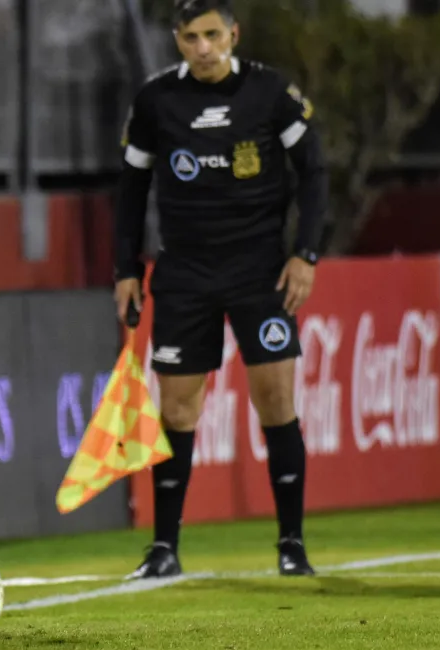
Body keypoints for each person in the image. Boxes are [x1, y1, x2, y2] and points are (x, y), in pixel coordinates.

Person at [114, 0, 328, 579]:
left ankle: (291, 545)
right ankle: (163, 549)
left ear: (233, 33)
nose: (203, 47)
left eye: (213, 35)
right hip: (183, 273)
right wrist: (125, 268)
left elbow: (314, 171)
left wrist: (304, 254)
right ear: (178, 41)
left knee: (276, 400)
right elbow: (131, 187)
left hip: (260, 272)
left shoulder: (270, 93)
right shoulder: (157, 100)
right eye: (191, 37)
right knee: (178, 408)